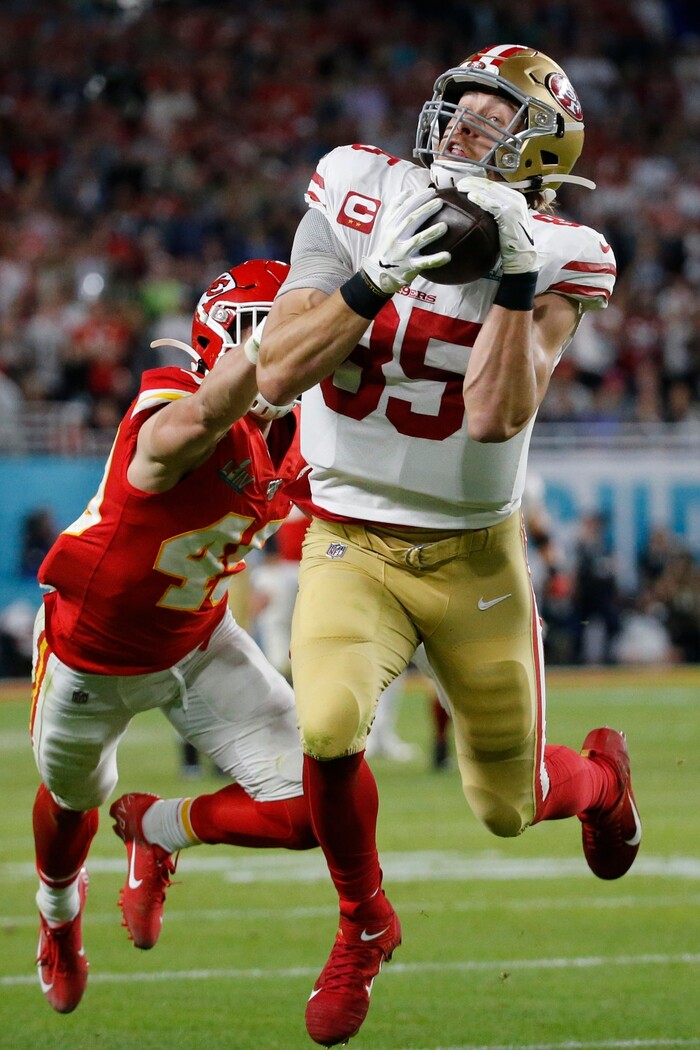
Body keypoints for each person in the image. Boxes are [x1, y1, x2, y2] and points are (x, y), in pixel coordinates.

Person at [256, 44, 641, 1047]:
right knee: (330, 729)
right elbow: (275, 371)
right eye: (459, 102)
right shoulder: (354, 187)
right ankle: (361, 922)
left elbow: (490, 416)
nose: (466, 119)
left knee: (506, 807)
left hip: (471, 556)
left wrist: (513, 281)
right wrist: (374, 278)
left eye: (495, 111)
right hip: (348, 537)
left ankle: (600, 785)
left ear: (541, 143)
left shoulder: (564, 250)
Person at [30, 259, 318, 1016]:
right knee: (71, 797)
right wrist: (258, 360)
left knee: (312, 807)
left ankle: (157, 829)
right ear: (225, 340)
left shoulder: (301, 431)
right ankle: (58, 917)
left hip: (200, 643)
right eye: (274, 328)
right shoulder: (175, 399)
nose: (295, 344)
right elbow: (180, 434)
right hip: (91, 653)